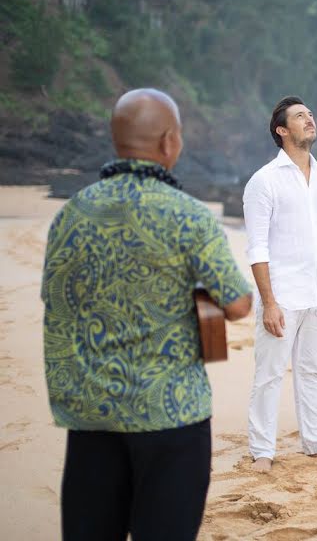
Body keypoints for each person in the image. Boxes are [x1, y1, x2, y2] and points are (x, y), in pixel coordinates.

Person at [41, 88, 253, 540]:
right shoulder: (188, 217)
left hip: (91, 412)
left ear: (117, 139)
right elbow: (236, 304)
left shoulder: (71, 214)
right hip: (171, 413)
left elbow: (57, 303)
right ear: (169, 142)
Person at [243, 96, 317, 471]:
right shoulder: (264, 181)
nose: (310, 119)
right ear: (282, 130)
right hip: (282, 295)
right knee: (269, 373)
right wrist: (269, 302)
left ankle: (314, 442)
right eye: (300, 116)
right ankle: (262, 451)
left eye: (311, 114)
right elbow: (256, 248)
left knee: (311, 371)